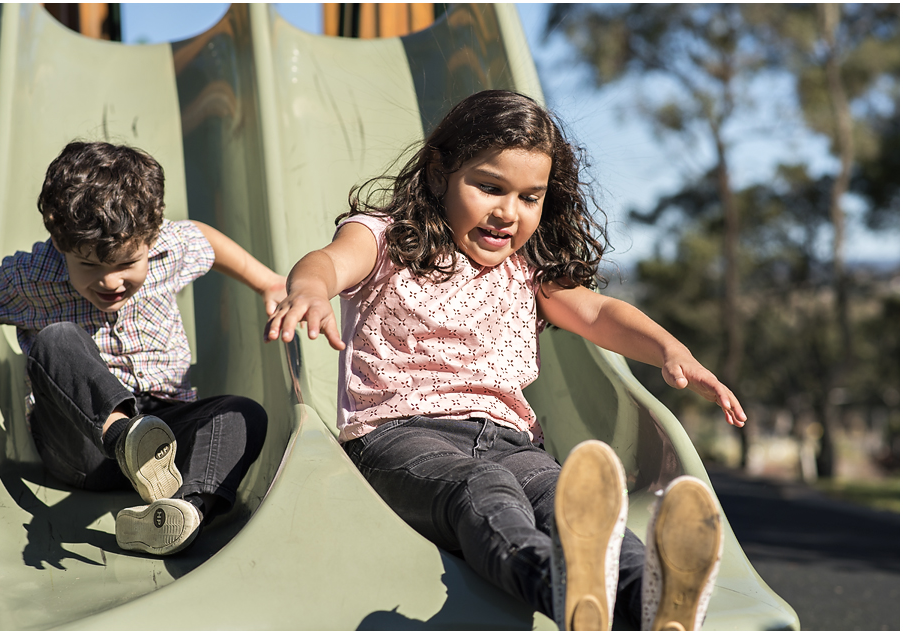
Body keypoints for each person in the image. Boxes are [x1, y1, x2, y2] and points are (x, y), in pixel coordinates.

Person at [266, 90, 746, 630]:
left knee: (575, 501)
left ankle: (652, 600)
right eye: (489, 187)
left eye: (529, 197)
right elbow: (329, 263)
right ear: (439, 172)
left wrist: (669, 350)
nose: (507, 212)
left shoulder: (526, 270)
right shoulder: (384, 237)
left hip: (512, 441)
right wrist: (308, 289)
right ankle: (559, 586)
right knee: (481, 492)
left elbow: (597, 313)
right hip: (398, 437)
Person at [0, 141, 285, 556]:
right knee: (56, 337)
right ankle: (126, 438)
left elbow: (207, 239)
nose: (111, 282)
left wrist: (268, 282)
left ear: (152, 235)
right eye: (90, 266)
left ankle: (180, 513)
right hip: (83, 444)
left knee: (242, 414)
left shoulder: (170, 247)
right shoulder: (32, 274)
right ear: (61, 243)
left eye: (127, 264)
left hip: (163, 427)